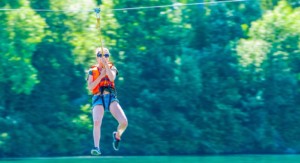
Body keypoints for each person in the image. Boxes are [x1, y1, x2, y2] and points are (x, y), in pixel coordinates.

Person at [87, 47, 128, 156]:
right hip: (98, 97)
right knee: (96, 121)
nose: (103, 57)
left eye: (106, 55)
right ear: (97, 58)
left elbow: (112, 78)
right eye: (100, 55)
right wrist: (101, 75)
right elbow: (91, 87)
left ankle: (117, 135)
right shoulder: (92, 71)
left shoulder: (112, 68)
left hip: (110, 97)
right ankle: (97, 147)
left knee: (124, 122)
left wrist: (106, 67)